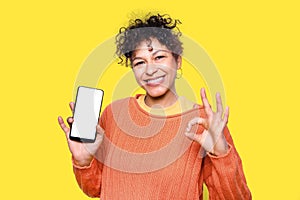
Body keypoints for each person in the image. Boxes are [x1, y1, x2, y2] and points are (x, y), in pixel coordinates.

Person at [58, 13, 251, 199]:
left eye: (159, 58)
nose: (150, 70)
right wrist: (84, 162)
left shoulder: (205, 122)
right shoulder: (114, 114)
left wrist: (221, 155)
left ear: (178, 61)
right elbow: (96, 188)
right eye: (140, 62)